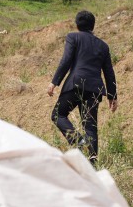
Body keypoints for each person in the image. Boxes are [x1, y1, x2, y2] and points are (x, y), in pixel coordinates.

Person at [47, 10, 118, 165]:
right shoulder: (103, 46)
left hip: (75, 84)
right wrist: (113, 96)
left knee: (58, 115)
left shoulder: (73, 37)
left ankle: (79, 142)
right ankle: (92, 165)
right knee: (90, 126)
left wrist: (54, 82)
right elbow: (109, 73)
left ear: (77, 24)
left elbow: (66, 60)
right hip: (94, 89)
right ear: (93, 26)